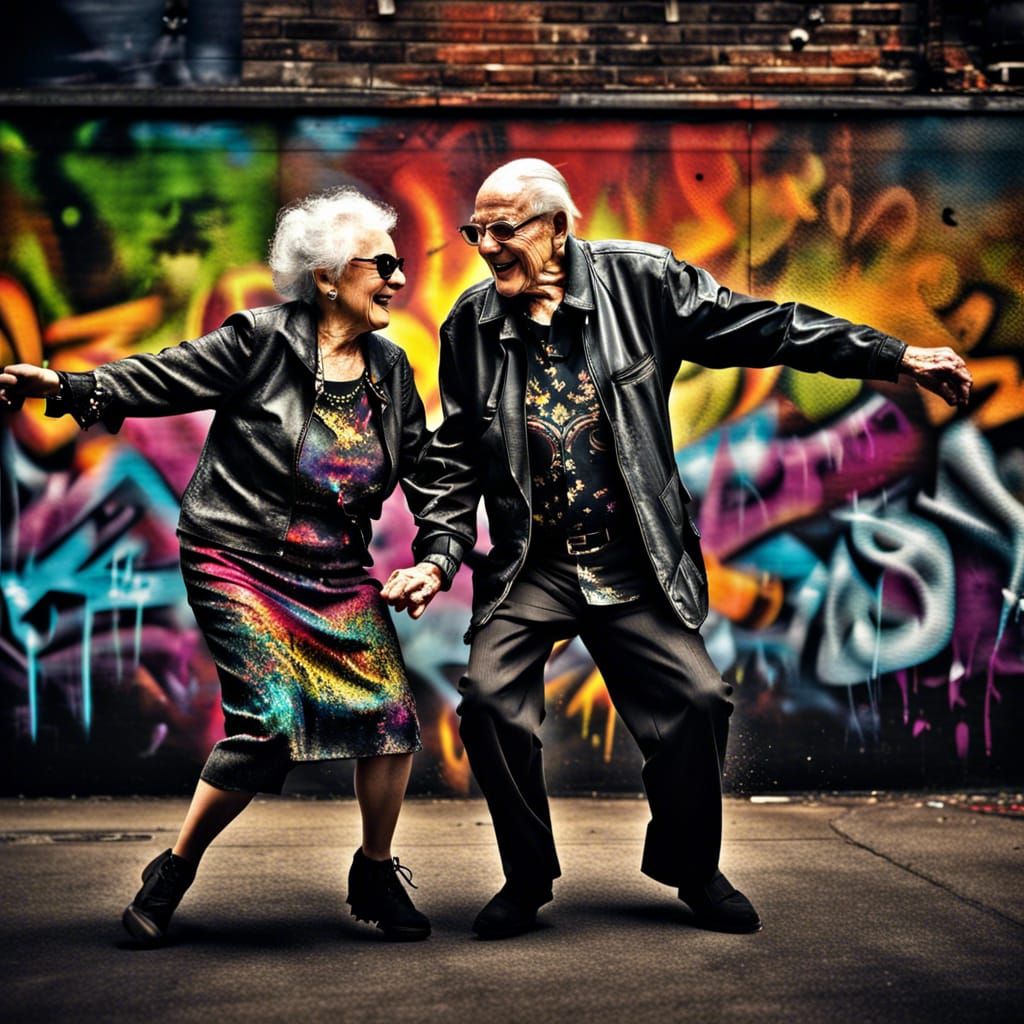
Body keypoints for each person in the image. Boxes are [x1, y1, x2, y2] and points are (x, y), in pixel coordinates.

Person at [383, 158, 973, 940]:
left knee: (696, 701)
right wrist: (439, 555)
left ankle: (693, 870)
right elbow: (456, 453)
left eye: (505, 228)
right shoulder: (471, 324)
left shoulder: (643, 282)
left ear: (558, 228)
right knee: (490, 704)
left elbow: (770, 327)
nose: (487, 246)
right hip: (537, 561)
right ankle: (527, 877)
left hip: (634, 557)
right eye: (476, 231)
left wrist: (895, 357)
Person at [1, 187, 435, 944]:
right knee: (267, 724)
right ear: (329, 276)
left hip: (336, 571)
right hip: (236, 556)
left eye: (400, 265)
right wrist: (74, 386)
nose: (399, 279)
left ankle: (373, 870)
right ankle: (175, 867)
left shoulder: (389, 371)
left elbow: (429, 472)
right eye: (383, 265)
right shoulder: (260, 341)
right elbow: (165, 377)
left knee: (391, 716)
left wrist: (440, 554)